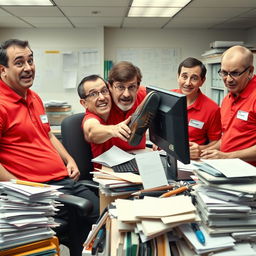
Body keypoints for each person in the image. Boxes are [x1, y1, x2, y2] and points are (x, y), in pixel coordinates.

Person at [0, 39, 99, 252]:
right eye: (19, 63)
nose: (28, 68)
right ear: (3, 69)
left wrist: (69, 159)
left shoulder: (33, 97)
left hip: (64, 180)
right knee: (94, 217)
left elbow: (47, 135)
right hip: (40, 191)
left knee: (107, 213)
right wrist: (21, 190)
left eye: (31, 60)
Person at [78, 61, 148, 159]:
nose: (126, 94)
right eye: (120, 87)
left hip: (139, 161)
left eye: (131, 87)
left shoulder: (142, 95)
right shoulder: (102, 107)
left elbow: (168, 101)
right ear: (110, 87)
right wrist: (113, 130)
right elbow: (91, 131)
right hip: (108, 170)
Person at [201, 45, 256, 166]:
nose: (228, 79)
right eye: (224, 73)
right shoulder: (227, 99)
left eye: (235, 73)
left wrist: (227, 157)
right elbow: (228, 138)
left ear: (250, 71)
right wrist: (205, 151)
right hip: (229, 169)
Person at [173, 57, 222, 159]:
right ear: (178, 77)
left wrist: (200, 150)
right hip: (165, 154)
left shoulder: (212, 109)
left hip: (192, 160)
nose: (188, 83)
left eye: (194, 78)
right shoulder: (168, 97)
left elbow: (217, 142)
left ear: (202, 81)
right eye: (184, 77)